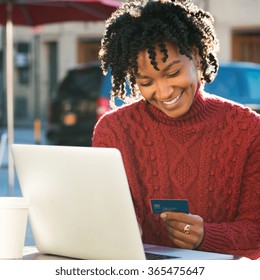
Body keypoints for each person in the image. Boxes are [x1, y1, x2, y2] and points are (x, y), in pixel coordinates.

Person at [92, 0, 260, 259]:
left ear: (194, 54)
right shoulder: (114, 131)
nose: (164, 91)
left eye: (172, 73)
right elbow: (103, 218)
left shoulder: (247, 130)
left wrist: (207, 235)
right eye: (146, 81)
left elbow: (255, 229)